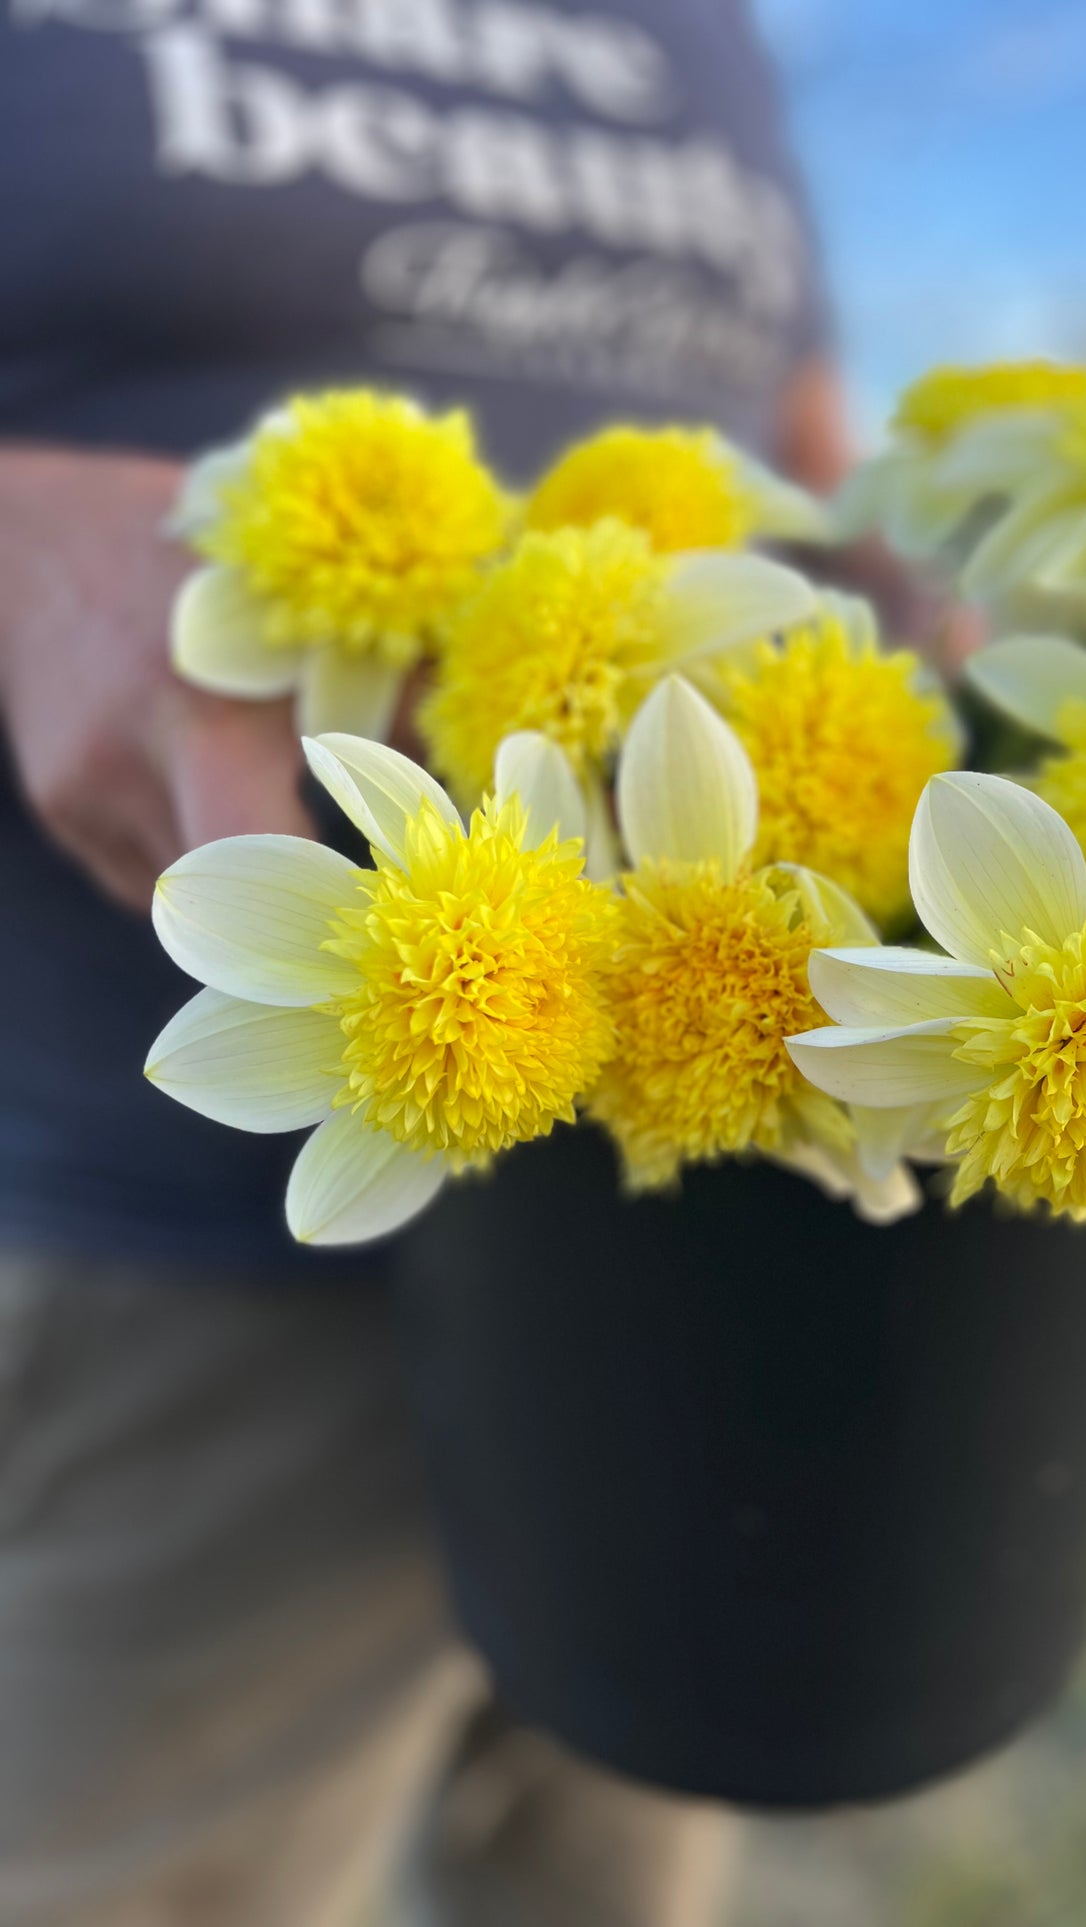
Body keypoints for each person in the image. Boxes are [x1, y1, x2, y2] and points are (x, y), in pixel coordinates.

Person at [0, 5, 851, 1920]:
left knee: (622, 1865)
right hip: (177, 1249)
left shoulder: (703, 33)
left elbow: (805, 451)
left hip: (687, 1211)